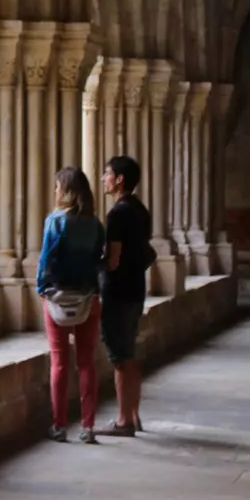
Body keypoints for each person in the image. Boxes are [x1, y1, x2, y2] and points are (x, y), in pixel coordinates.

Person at [37, 166, 105, 443]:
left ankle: (60, 425)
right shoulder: (95, 225)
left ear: (66, 191)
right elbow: (99, 261)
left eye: (57, 186)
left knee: (59, 362)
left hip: (58, 298)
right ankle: (88, 427)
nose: (54, 191)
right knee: (87, 361)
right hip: (88, 296)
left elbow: (46, 259)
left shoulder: (55, 221)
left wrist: (42, 288)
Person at [98, 154, 156, 437]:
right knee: (130, 354)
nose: (103, 179)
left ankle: (123, 421)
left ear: (119, 179)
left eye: (107, 173)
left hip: (118, 292)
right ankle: (133, 413)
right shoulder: (140, 210)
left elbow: (113, 260)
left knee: (120, 358)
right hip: (136, 288)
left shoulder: (117, 213)